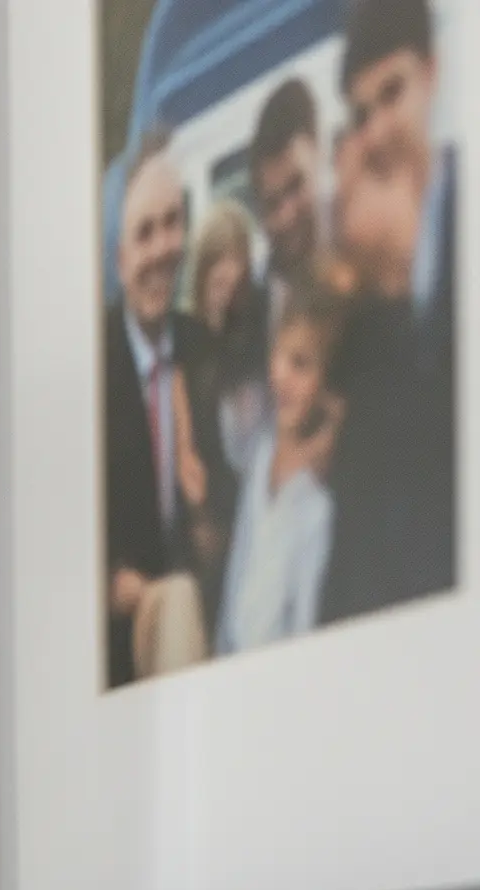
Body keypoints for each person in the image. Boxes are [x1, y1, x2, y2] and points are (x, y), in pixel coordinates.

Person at [319, 0, 458, 623]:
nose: (375, 133)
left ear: (433, 73)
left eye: (392, 94)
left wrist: (396, 282)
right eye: (360, 113)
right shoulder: (360, 269)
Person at [103, 131, 233, 685]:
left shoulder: (209, 351)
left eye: (172, 223)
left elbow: (228, 525)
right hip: (116, 656)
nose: (161, 248)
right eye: (145, 231)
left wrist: (206, 511)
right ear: (121, 257)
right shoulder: (88, 369)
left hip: (206, 637)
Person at [217, 283, 342, 655]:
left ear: (328, 383)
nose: (282, 375)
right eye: (279, 355)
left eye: (300, 364)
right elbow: (238, 569)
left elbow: (306, 620)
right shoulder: (262, 453)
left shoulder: (319, 500)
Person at [188, 196, 269, 474]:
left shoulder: (261, 342)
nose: (225, 303)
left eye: (237, 289)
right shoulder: (191, 359)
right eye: (218, 285)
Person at [250, 77, 327, 332]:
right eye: (273, 204)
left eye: (296, 187)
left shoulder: (371, 260)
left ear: (318, 154)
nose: (287, 216)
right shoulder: (255, 320)